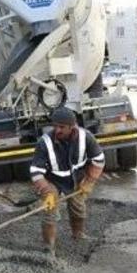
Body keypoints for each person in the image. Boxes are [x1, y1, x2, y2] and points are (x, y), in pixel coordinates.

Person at [30, 107, 105, 255]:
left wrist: (89, 181)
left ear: (72, 126)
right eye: (55, 126)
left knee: (78, 205)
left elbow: (99, 160)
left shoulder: (86, 137)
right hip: (51, 181)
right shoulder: (44, 142)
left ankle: (78, 235)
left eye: (62, 127)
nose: (57, 130)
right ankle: (49, 247)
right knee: (49, 209)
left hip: (76, 178)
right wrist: (47, 191)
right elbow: (35, 171)